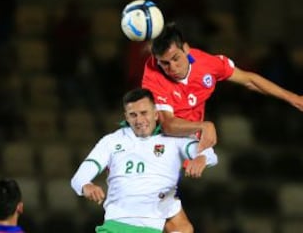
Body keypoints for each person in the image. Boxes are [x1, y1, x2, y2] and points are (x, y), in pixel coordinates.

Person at [141, 22, 303, 232]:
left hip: (179, 153)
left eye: (175, 59)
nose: (171, 68)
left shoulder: (208, 64)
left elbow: (249, 79)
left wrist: (294, 98)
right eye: (164, 63)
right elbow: (168, 124)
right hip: (153, 154)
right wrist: (204, 125)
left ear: (186, 49)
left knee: (181, 229)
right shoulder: (153, 74)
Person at [71, 88, 218, 233]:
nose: (139, 120)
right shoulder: (111, 141)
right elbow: (78, 178)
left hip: (150, 224)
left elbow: (209, 153)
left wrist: (201, 158)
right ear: (126, 117)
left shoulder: (174, 139)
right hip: (115, 225)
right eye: (133, 115)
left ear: (155, 114)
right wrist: (86, 186)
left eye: (144, 113)